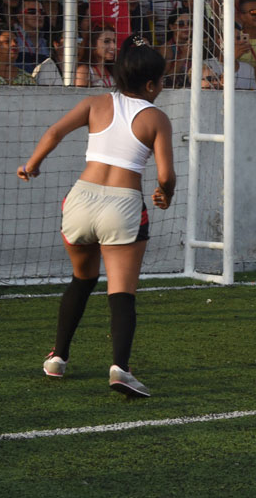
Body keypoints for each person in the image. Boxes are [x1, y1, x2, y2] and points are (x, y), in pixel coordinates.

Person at [18, 36, 176, 397]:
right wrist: (165, 194)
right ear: (151, 85)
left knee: (81, 279)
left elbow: (55, 131)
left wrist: (32, 164)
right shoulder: (156, 118)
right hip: (123, 204)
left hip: (80, 200)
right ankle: (120, 369)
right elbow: (166, 175)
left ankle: (58, 357)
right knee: (122, 292)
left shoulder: (94, 103)